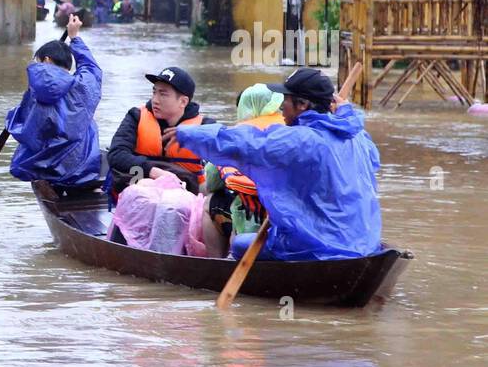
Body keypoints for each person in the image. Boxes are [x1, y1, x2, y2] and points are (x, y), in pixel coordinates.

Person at [173, 67, 382, 261]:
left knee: (239, 245)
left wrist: (189, 134)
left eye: (286, 100)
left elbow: (247, 144)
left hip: (315, 247)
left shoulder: (302, 139)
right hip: (364, 243)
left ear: (302, 105)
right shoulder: (359, 136)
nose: (281, 106)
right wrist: (345, 114)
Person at [5, 14, 102, 190]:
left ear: (46, 60)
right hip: (83, 171)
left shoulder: (35, 94)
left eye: (37, 61)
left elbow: (28, 134)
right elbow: (91, 67)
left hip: (48, 172)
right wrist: (75, 37)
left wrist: (13, 115)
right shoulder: (85, 85)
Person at [197, 83, 284, 257]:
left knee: (210, 200)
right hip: (288, 218)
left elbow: (213, 183)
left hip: (253, 219)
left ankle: (217, 262)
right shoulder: (292, 130)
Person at [106, 66, 216, 195]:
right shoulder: (136, 116)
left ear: (183, 102)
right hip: (143, 188)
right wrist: (153, 171)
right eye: (154, 92)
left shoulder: (205, 126)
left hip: (188, 192)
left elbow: (228, 160)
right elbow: (116, 155)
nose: (155, 100)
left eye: (163, 94)